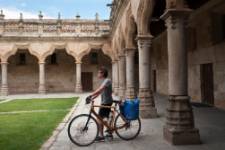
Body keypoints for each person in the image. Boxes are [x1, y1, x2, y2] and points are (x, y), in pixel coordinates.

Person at [87, 66, 113, 141]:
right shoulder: (104, 81)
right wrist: (91, 98)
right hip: (104, 102)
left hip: (106, 102)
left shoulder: (107, 81)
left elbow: (100, 89)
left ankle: (102, 135)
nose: (97, 74)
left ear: (103, 73)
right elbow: (100, 92)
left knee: (99, 119)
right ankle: (108, 131)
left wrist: (90, 95)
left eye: (99, 72)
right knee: (102, 119)